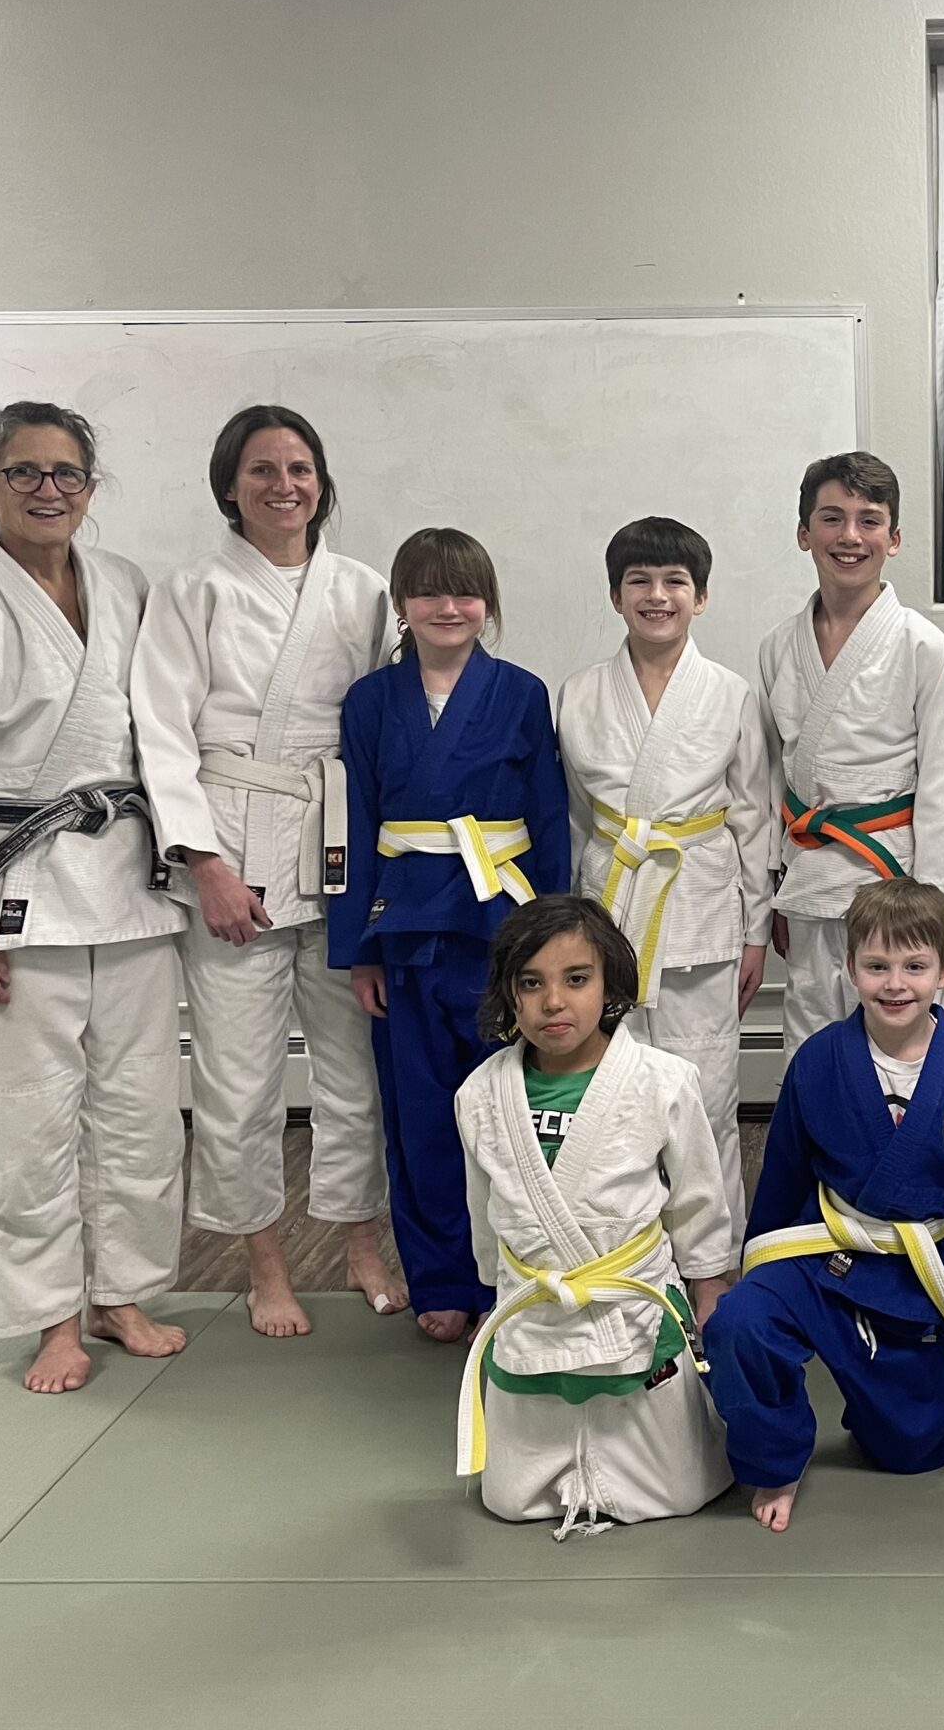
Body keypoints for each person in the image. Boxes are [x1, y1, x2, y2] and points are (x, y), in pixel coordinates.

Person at [0, 400, 187, 1393]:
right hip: (15, 890)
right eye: (24, 472)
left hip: (130, 885)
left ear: (90, 490)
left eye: (66, 473)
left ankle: (121, 1292)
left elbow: (157, 732)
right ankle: (51, 1315)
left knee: (141, 1108)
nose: (48, 490)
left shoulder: (124, 585)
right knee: (26, 1118)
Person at [130, 405, 403, 1337]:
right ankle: (265, 1265)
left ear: (321, 483)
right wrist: (204, 863)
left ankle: (362, 1242)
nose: (283, 486)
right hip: (232, 841)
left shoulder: (364, 591)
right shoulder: (193, 590)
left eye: (299, 469)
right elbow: (161, 733)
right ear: (229, 485)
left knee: (356, 1073)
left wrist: (381, 878)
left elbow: (388, 724)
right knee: (239, 1082)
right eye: (262, 470)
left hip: (338, 843)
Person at [701, 879, 944, 1531]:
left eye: (914, 966)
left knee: (917, 1450)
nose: (895, 983)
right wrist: (757, 1269)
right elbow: (783, 1176)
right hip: (823, 1257)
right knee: (739, 1323)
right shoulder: (819, 1061)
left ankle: (885, 1403)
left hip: (912, 1275)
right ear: (850, 968)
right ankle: (775, 1458)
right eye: (877, 966)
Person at [330, 528, 568, 1342]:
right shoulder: (370, 701)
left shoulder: (522, 692)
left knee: (513, 1111)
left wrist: (555, 943)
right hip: (404, 930)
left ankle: (514, 1274)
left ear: (487, 603)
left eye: (465, 591)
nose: (448, 607)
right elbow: (356, 823)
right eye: (428, 591)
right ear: (402, 603)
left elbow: (548, 818)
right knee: (420, 1114)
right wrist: (359, 949)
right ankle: (441, 1279)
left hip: (500, 923)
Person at [451, 895, 736, 1534]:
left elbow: (697, 1196)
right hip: (534, 1301)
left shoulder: (662, 1079)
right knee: (510, 1498)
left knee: (679, 1489)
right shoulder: (481, 1094)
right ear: (509, 994)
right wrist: (492, 1295)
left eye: (576, 979)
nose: (554, 1002)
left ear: (609, 983)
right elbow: (482, 1207)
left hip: (629, 1300)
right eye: (532, 983)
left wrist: (709, 1283)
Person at [557, 517, 773, 1238]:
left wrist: (754, 932)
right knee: (610, 1096)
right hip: (608, 908)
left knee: (706, 1097)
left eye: (674, 581)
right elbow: (574, 821)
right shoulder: (579, 694)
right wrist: (569, 931)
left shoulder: (731, 693)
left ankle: (716, 1262)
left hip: (699, 915)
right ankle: (624, 1253)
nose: (657, 596)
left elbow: (752, 821)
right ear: (615, 596)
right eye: (639, 581)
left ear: (700, 597)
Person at [756, 451, 944, 1061]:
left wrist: (936, 903)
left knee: (902, 1040)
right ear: (805, 532)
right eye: (832, 518)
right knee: (811, 1040)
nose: (850, 536)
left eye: (869, 520)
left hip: (893, 877)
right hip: (809, 875)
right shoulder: (778, 646)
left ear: (894, 538)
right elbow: (774, 775)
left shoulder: (926, 647)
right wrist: (776, 877)